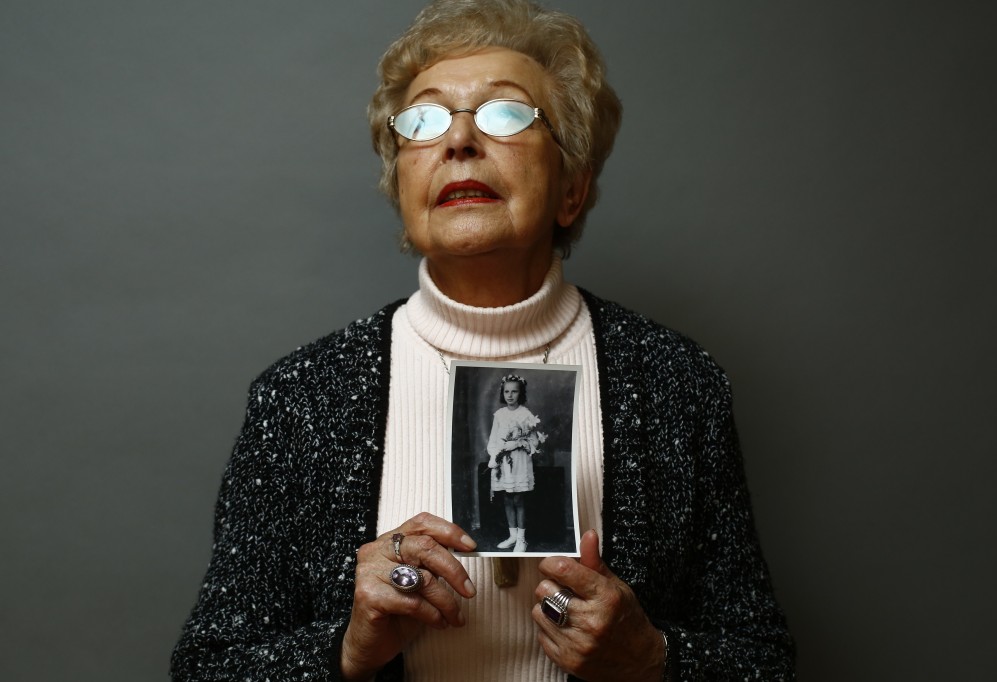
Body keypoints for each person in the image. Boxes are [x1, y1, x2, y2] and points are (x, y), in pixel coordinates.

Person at [171, 0, 795, 680]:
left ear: (571, 189)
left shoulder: (676, 383)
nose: (459, 141)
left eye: (504, 114)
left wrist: (652, 658)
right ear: (403, 188)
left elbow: (761, 660)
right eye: (424, 121)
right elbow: (208, 668)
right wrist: (345, 651)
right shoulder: (301, 398)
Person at [487, 374, 546, 551]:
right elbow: (493, 439)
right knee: (507, 498)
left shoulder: (525, 414)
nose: (510, 395)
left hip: (519, 462)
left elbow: (534, 442)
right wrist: (494, 456)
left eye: (514, 391)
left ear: (520, 393)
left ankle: (522, 539)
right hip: (504, 463)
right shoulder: (499, 415)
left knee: (518, 499)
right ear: (503, 393)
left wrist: (519, 443)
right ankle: (512, 536)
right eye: (507, 391)